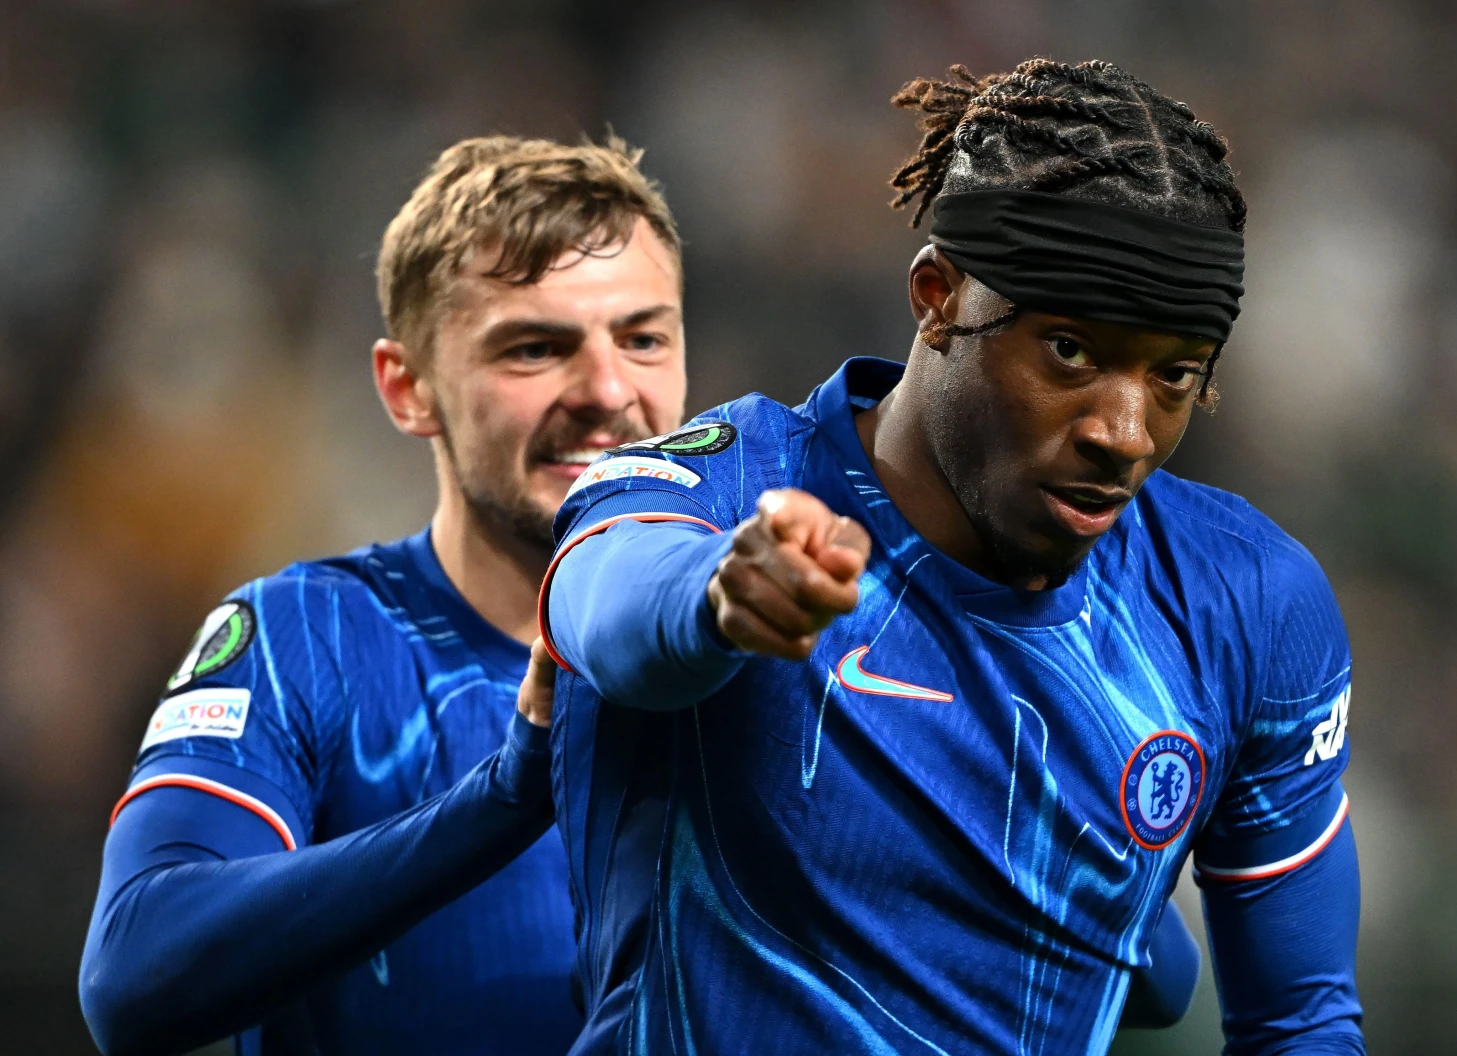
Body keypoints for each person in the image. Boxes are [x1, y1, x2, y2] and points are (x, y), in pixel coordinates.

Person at [541, 58, 1362, 1056]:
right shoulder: (716, 493)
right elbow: (607, 614)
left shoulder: (1247, 602)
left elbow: (1300, 1022)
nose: (1124, 430)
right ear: (939, 296)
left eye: (1174, 374)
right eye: (1070, 350)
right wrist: (718, 597)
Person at [79, 135, 690, 1056]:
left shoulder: (779, 641)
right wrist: (505, 797)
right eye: (535, 348)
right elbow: (132, 974)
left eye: (643, 338)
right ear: (408, 389)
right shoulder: (308, 639)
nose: (609, 390)